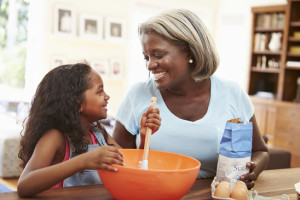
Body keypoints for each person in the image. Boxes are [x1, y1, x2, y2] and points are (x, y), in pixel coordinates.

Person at [112, 9, 269, 189]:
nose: (150, 65)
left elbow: (260, 151)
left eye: (158, 55)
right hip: (153, 192)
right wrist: (142, 138)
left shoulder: (232, 93)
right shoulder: (138, 95)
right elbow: (119, 160)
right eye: (146, 57)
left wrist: (251, 171)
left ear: (189, 52)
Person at [17, 63, 161, 197]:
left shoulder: (99, 134)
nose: (107, 96)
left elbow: (130, 167)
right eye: (99, 92)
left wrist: (144, 137)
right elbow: (24, 185)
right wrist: (83, 161)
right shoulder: (55, 137)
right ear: (77, 103)